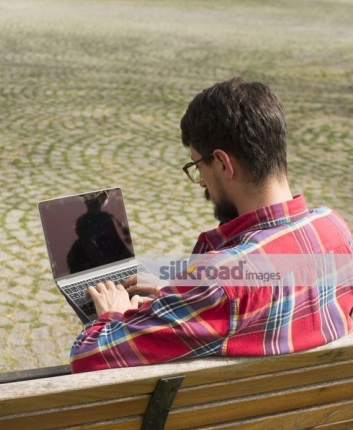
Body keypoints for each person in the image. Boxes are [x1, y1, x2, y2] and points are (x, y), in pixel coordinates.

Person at [70, 77, 352, 375]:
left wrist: (116, 311)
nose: (202, 180)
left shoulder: (219, 281)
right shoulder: (335, 231)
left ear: (222, 163)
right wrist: (180, 294)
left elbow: (88, 356)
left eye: (198, 165)